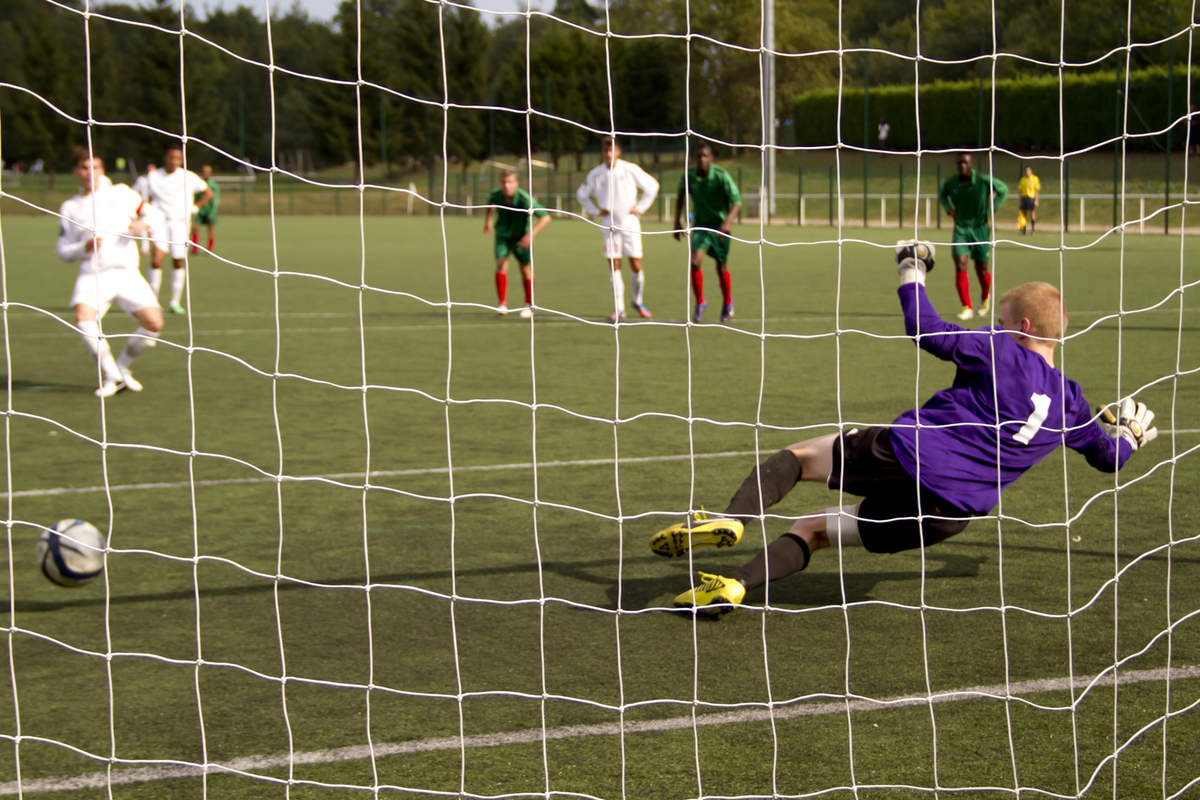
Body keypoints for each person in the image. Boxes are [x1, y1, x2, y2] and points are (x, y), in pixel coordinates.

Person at [651, 242, 1158, 616]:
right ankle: (733, 587)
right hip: (949, 514)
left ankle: (730, 520)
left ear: (1023, 327)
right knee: (815, 530)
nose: (994, 326)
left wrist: (912, 266)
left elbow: (924, 326)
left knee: (797, 458)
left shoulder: (1001, 349)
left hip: (910, 455)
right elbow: (1108, 459)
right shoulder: (1072, 404)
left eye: (1001, 321)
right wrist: (1130, 437)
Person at [56, 148, 165, 398]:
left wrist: (142, 223)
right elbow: (63, 251)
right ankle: (112, 376)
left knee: (154, 324)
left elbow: (154, 213)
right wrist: (81, 247)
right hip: (94, 273)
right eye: (84, 168)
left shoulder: (122, 193)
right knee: (84, 317)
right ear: (75, 172)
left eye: (94, 167)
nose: (89, 173)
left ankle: (122, 368)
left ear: (102, 170)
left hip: (127, 272)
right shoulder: (70, 207)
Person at [575, 136, 660, 322]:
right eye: (605, 150)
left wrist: (641, 207)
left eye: (612, 149)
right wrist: (595, 210)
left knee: (636, 265)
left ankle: (638, 300)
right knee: (614, 265)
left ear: (618, 151)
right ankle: (619, 308)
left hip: (630, 224)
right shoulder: (596, 173)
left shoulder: (629, 169)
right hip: (609, 226)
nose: (608, 154)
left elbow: (652, 186)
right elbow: (582, 194)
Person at [674, 143, 742, 323]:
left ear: (711, 158)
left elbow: (737, 201)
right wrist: (676, 221)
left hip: (720, 228)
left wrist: (727, 223)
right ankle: (700, 302)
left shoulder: (721, 176)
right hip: (701, 227)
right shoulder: (690, 176)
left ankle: (728, 302)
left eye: (705, 156)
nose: (702, 159)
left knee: (721, 268)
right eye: (699, 156)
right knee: (695, 261)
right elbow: (681, 195)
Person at [938, 152, 1008, 320]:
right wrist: (949, 208)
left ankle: (985, 297)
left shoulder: (983, 181)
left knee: (981, 269)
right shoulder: (952, 183)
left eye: (965, 163)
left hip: (980, 229)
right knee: (961, 263)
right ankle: (966, 306)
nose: (962, 166)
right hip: (961, 228)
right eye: (959, 163)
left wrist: (992, 209)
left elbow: (1003, 190)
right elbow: (942, 194)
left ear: (971, 165)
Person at [146, 145, 211, 315]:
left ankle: (175, 302)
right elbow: (145, 197)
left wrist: (195, 207)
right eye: (171, 157)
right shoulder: (153, 176)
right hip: (159, 223)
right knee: (156, 261)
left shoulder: (188, 177)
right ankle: (153, 301)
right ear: (165, 158)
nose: (173, 161)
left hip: (180, 224)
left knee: (178, 261)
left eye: (177, 158)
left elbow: (208, 193)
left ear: (181, 160)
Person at [483, 169, 552, 318]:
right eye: (503, 182)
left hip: (521, 237)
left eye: (510, 182)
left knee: (525, 268)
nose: (506, 185)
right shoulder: (496, 194)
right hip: (503, 235)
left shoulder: (524, 198)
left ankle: (528, 303)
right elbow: (490, 205)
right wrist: (487, 221)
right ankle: (502, 303)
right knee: (501, 264)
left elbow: (545, 217)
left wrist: (530, 235)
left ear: (516, 183)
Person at [190, 164, 220, 254]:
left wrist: (212, 213)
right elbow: (195, 198)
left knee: (210, 230)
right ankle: (195, 248)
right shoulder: (199, 184)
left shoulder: (214, 186)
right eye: (204, 171)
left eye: (207, 172)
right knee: (195, 228)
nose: (205, 173)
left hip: (209, 211)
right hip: (200, 211)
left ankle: (209, 249)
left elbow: (215, 201)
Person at [130, 162, 159, 257]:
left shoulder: (159, 180)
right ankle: (145, 248)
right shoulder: (141, 180)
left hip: (155, 206)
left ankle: (156, 246)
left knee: (156, 227)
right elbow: (134, 191)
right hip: (143, 206)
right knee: (143, 227)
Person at [1017, 165, 1041, 235]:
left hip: (1031, 198)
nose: (1027, 172)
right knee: (1023, 214)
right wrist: (1020, 201)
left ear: (1031, 171)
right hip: (1024, 198)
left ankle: (1033, 229)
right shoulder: (1023, 179)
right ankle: (1023, 229)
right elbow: (1020, 191)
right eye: (1026, 170)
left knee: (1032, 213)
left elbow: (1036, 190)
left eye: (1028, 170)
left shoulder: (1035, 179)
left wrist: (1036, 200)